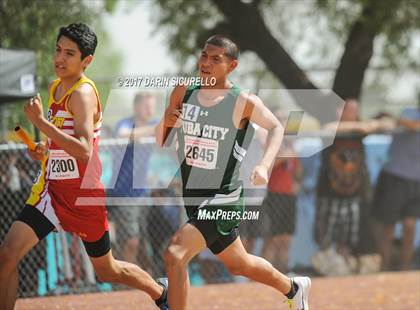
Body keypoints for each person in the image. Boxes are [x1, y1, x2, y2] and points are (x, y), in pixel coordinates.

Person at [0, 23, 168, 310]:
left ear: (86, 61)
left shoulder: (83, 94)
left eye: (69, 53)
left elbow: (84, 150)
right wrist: (44, 150)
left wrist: (40, 123)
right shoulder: (55, 87)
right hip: (51, 194)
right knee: (7, 256)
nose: (59, 59)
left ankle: (160, 291)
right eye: (57, 50)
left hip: (82, 198)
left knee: (107, 270)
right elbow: (62, 144)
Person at [156, 35, 311, 310]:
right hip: (193, 197)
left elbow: (276, 127)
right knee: (240, 264)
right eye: (204, 56)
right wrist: (166, 121)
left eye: (216, 59)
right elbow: (162, 139)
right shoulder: (184, 91)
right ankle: (294, 288)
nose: (206, 63)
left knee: (175, 254)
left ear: (232, 66)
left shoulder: (241, 101)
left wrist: (264, 164)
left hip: (222, 198)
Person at [108, 92, 157, 268]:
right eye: (146, 105)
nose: (150, 109)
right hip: (123, 193)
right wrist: (155, 130)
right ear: (136, 106)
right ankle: (124, 284)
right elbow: (122, 134)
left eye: (152, 106)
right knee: (130, 242)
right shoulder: (126, 123)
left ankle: (143, 283)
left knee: (143, 245)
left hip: (143, 193)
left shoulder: (154, 124)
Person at [372, 102, 420, 270]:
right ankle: (383, 268)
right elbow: (402, 123)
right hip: (394, 178)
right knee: (387, 227)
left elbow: (413, 125)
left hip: (416, 181)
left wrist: (393, 118)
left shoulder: (405, 118)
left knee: (410, 225)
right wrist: (392, 120)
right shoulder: (409, 111)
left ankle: (404, 268)